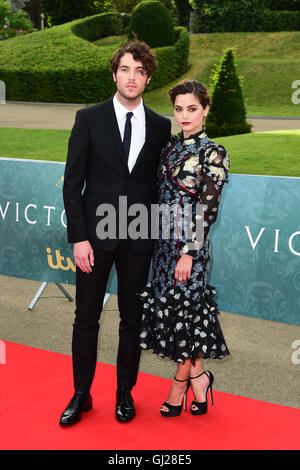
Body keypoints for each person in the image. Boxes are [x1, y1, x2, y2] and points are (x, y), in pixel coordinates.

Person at [60, 41, 171, 426]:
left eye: (140, 71)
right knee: (85, 317)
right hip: (93, 237)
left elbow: (158, 187)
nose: (132, 77)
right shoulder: (88, 118)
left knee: (132, 318)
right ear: (114, 73)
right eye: (126, 68)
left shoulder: (160, 126)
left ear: (148, 78)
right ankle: (81, 394)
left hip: (138, 239)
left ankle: (125, 393)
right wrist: (78, 237)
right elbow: (72, 183)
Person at [138, 79, 230, 417]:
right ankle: (200, 381)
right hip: (162, 245)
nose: (185, 115)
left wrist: (189, 252)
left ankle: (180, 386)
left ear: (205, 110)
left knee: (188, 315)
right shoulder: (170, 148)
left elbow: (208, 208)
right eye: (179, 109)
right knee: (176, 315)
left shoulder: (213, 153)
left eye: (192, 108)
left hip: (189, 247)